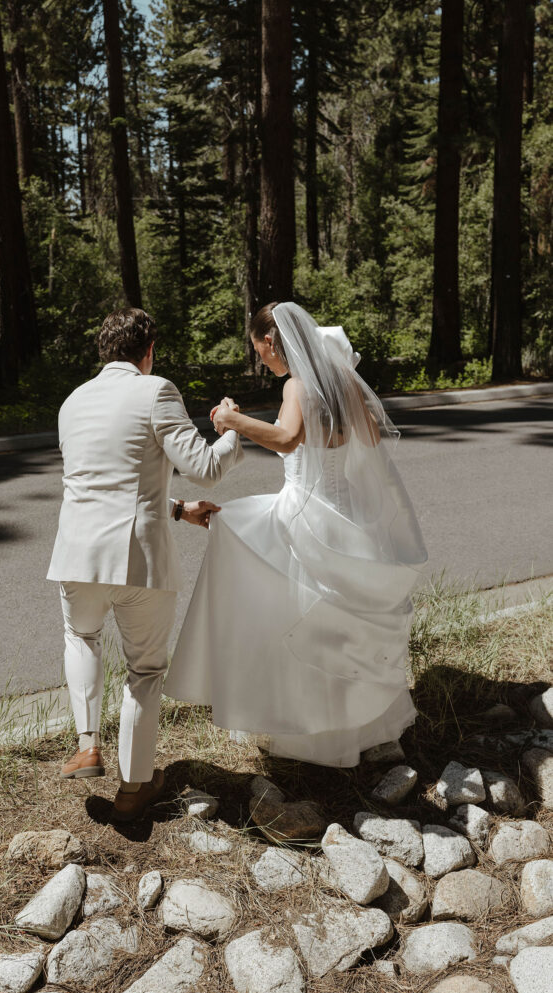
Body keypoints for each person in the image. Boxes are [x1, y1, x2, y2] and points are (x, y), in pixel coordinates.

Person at [164, 301, 427, 767]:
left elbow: (286, 439)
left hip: (306, 515)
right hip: (350, 521)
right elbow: (368, 441)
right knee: (339, 625)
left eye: (258, 350)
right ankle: (364, 726)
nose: (261, 360)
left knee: (286, 600)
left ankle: (305, 727)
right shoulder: (343, 380)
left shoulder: (297, 386)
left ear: (271, 341)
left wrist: (229, 421)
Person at [47, 308, 243, 820]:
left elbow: (105, 483)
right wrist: (232, 431)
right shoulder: (155, 390)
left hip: (75, 554)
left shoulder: (71, 403)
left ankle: (88, 744)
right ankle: (134, 788)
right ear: (148, 351)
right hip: (138, 560)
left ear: (102, 352)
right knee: (145, 671)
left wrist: (177, 510)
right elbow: (203, 467)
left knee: (80, 636)